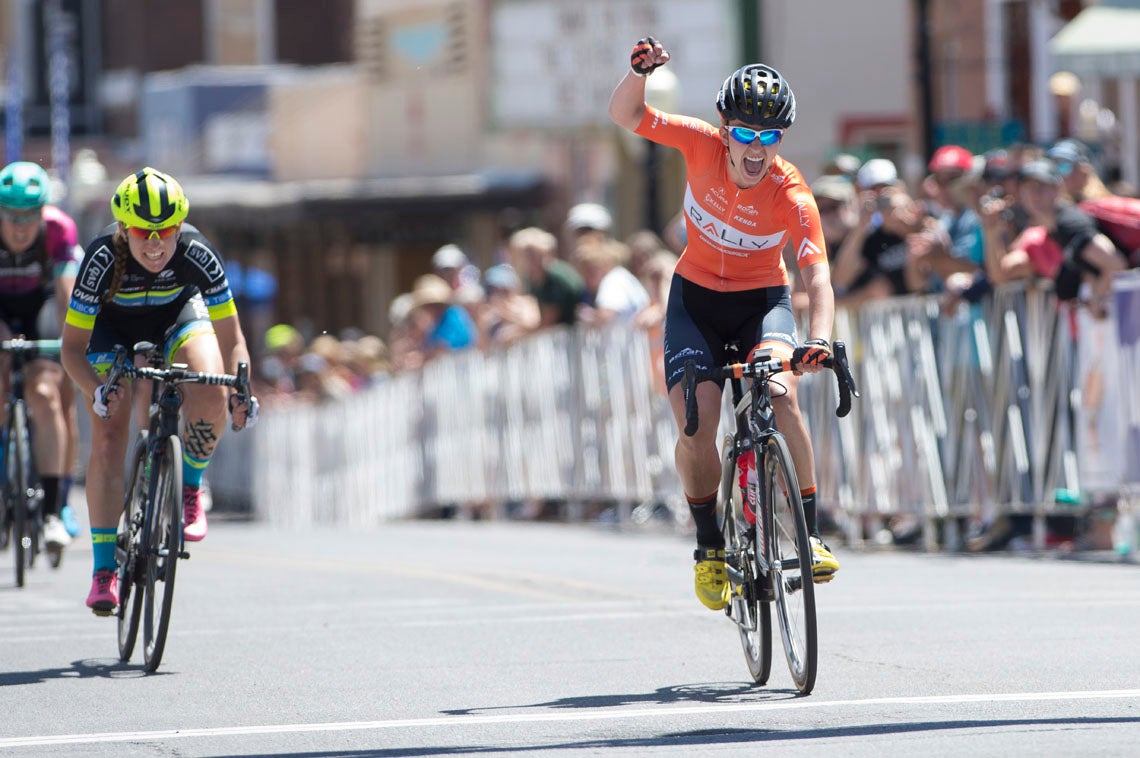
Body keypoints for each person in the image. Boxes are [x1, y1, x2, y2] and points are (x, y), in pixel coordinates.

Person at [609, 37, 839, 611]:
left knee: (782, 396)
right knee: (698, 419)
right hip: (696, 304)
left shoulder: (793, 194)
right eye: (744, 132)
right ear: (724, 127)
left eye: (769, 137)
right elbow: (627, 114)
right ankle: (710, 544)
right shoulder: (697, 144)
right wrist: (638, 74)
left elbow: (818, 282)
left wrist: (818, 341)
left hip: (763, 301)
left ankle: (809, 534)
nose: (756, 148)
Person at [60, 167, 258, 615]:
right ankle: (104, 570)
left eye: (166, 231)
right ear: (124, 230)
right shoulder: (100, 260)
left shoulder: (198, 252)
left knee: (209, 383)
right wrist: (95, 391)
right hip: (112, 333)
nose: (155, 243)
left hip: (175, 320)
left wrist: (241, 388)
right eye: (143, 232)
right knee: (110, 435)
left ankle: (189, 485)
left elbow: (232, 340)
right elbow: (71, 351)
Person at [0, 161, 83, 558]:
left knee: (47, 394)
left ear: (42, 213)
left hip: (42, 307)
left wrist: (70, 347)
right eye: (11, 216)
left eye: (29, 216)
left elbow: (68, 300)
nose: (20, 227)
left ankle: (52, 509)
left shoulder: (58, 230)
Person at [982, 159, 1127, 317]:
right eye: (1027, 188)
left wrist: (1097, 299)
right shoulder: (1048, 231)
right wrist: (991, 231)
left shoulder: (1070, 222)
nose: (1033, 195)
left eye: (1041, 187)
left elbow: (1115, 263)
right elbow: (1001, 275)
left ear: (1058, 188)